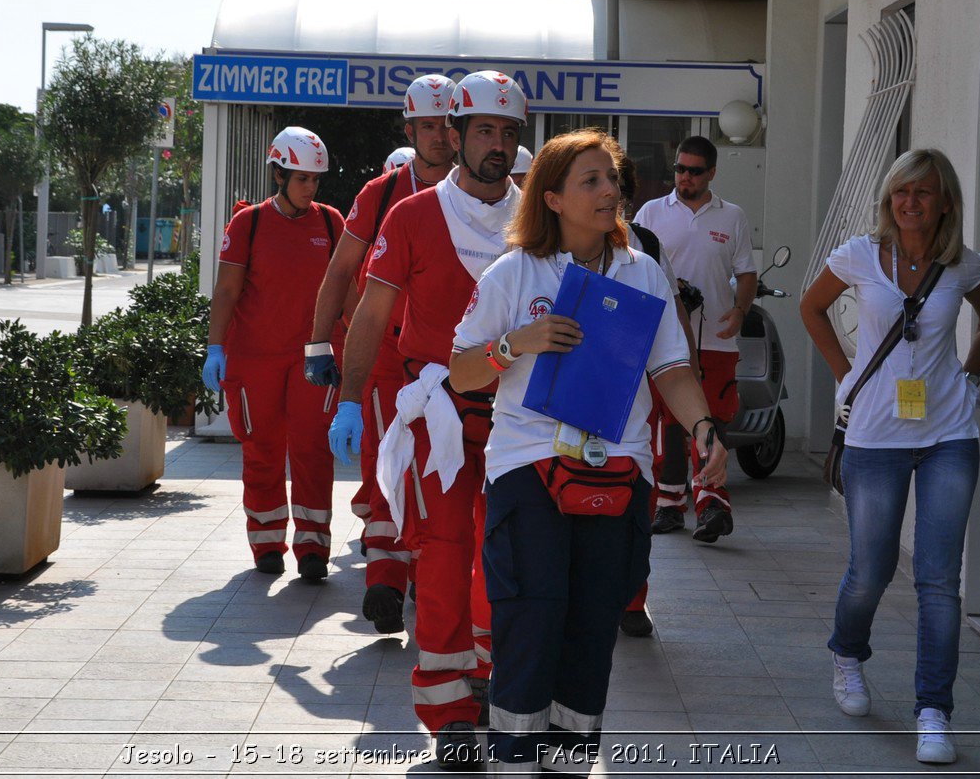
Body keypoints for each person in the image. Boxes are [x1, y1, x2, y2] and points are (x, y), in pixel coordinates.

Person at [449, 129, 727, 776]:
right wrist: (516, 343)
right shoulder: (513, 272)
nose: (610, 191)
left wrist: (706, 429)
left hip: (617, 471)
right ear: (552, 197)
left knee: (589, 636)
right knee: (533, 622)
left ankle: (567, 768)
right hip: (528, 468)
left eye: (613, 178)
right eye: (592, 180)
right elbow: (462, 371)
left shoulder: (643, 271)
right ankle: (513, 765)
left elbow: (672, 370)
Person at [334, 70, 524, 769]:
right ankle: (447, 709)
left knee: (504, 553)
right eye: (483, 130)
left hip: (518, 418)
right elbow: (373, 314)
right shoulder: (410, 216)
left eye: (508, 133)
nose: (496, 145)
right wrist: (352, 396)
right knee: (442, 551)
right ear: (453, 132)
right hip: (438, 412)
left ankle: (490, 670)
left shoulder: (535, 218)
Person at [799, 148, 980, 767]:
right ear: (888, 200)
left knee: (940, 580)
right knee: (871, 570)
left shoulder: (965, 264)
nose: (909, 203)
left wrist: (969, 378)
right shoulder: (860, 254)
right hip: (875, 433)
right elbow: (811, 308)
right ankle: (847, 654)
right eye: (900, 193)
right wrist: (845, 375)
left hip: (948, 433)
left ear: (945, 201)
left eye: (923, 192)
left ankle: (934, 710)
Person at [306, 73, 456, 634]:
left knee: (443, 475)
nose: (441, 136)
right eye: (429, 126)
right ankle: (386, 584)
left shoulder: (489, 194)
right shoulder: (382, 193)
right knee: (386, 468)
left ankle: (428, 575)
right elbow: (341, 270)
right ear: (410, 128)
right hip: (389, 363)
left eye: (448, 124)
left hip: (459, 366)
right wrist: (321, 345)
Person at [202, 127, 345, 582]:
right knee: (262, 450)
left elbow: (349, 290)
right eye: (302, 178)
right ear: (279, 174)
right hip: (254, 360)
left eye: (316, 180)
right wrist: (215, 346)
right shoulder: (249, 223)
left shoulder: (330, 223)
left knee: (312, 452)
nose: (311, 188)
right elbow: (226, 289)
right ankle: (266, 541)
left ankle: (312, 546)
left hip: (314, 360)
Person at [633, 135, 755, 542]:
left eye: (694, 171)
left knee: (713, 420)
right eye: (680, 169)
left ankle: (712, 504)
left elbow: (747, 272)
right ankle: (669, 506)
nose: (685, 177)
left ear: (712, 174)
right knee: (669, 421)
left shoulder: (732, 216)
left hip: (717, 339)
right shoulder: (650, 213)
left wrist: (739, 312)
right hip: (664, 337)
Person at [616, 154, 698, 639]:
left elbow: (673, 316)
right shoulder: (544, 245)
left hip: (637, 397)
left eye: (615, 183)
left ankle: (632, 598)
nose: (606, 193)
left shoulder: (645, 245)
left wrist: (688, 374)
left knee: (636, 500)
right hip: (565, 401)